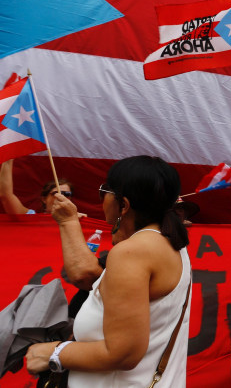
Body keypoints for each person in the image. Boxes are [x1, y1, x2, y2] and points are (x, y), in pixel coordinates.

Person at [25, 155, 192, 386]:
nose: (102, 199)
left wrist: (54, 352)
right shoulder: (169, 244)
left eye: (105, 191)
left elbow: (123, 353)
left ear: (123, 205)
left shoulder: (132, 252)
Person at [0, 159, 75, 215]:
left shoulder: (78, 221)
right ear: (44, 199)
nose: (61, 197)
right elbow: (6, 195)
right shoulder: (31, 217)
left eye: (67, 194)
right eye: (56, 193)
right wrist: (8, 159)